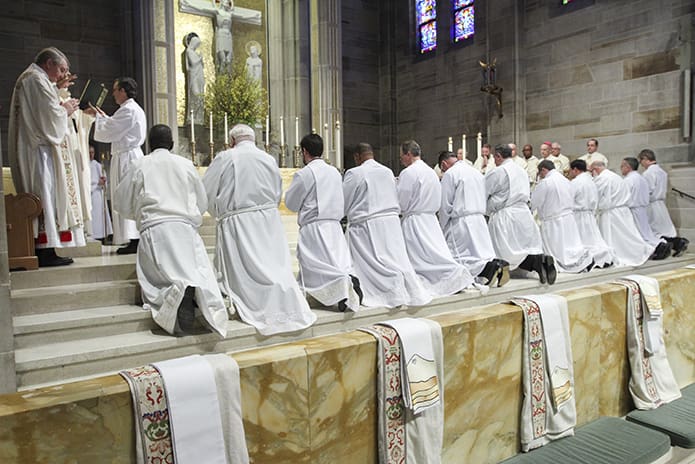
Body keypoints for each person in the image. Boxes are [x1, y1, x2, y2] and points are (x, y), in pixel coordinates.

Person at [114, 125, 228, 337]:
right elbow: (202, 201)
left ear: (149, 144)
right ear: (173, 144)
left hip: (155, 229)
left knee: (158, 280)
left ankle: (175, 296)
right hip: (184, 229)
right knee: (197, 270)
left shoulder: (140, 164)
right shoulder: (185, 164)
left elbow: (121, 202)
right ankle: (196, 295)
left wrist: (140, 216)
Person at [203, 124, 316, 335]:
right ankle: (282, 299)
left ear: (232, 141)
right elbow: (276, 190)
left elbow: (207, 190)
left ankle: (255, 302)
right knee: (272, 264)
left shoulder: (226, 157)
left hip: (238, 222)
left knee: (248, 270)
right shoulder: (268, 159)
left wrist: (219, 212)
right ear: (254, 139)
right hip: (268, 220)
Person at [8, 47, 84, 266]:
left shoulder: (36, 78)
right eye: (61, 70)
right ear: (49, 63)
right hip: (39, 154)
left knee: (48, 196)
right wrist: (66, 109)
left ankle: (46, 247)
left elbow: (44, 108)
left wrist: (57, 92)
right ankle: (45, 250)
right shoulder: (35, 80)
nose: (62, 75)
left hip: (38, 149)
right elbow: (48, 116)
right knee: (45, 195)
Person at [343, 143, 431, 308]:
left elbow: (344, 201)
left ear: (357, 157)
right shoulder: (387, 171)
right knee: (395, 259)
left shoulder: (355, 173)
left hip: (367, 226)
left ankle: (391, 290)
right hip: (391, 224)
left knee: (377, 264)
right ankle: (403, 287)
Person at [284, 133, 362, 312]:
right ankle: (348, 278)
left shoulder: (305, 174)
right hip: (333, 225)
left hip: (314, 226)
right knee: (337, 261)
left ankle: (343, 284)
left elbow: (291, 203)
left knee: (316, 264)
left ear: (304, 151)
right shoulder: (334, 171)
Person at [398, 141, 474, 297]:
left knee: (420, 258)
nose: (401, 159)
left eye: (401, 156)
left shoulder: (408, 172)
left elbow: (402, 200)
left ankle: (451, 276)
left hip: (415, 220)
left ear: (408, 154)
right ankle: (453, 276)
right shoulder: (431, 171)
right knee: (434, 254)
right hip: (430, 219)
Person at [89, 77, 147, 254]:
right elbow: (115, 125)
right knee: (126, 195)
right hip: (127, 155)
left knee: (126, 196)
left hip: (126, 158)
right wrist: (102, 116)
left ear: (123, 91)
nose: (113, 94)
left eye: (115, 90)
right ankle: (131, 238)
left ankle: (133, 238)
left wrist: (98, 117)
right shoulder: (130, 109)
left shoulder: (128, 109)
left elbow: (110, 131)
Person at [486, 144, 556, 284]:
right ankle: (538, 261)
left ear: (499, 156)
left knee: (505, 249)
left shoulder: (498, 172)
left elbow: (484, 191)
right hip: (523, 214)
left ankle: (500, 271)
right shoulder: (521, 170)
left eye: (494, 157)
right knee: (523, 247)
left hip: (505, 214)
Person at [438, 151, 509, 286]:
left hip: (461, 221)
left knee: (462, 257)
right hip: (479, 219)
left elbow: (445, 204)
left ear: (444, 164)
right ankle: (495, 264)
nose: (443, 171)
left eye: (442, 169)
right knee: (480, 253)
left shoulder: (450, 174)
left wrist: (442, 226)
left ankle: (488, 269)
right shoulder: (476, 172)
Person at [531, 160, 593, 273]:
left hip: (553, 220)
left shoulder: (546, 182)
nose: (540, 176)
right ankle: (582, 262)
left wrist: (529, 209)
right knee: (571, 244)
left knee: (559, 249)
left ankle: (559, 264)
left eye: (540, 173)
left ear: (544, 170)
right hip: (568, 218)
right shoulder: (567, 181)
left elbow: (535, 201)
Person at [590, 160, 653, 267]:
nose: (592, 174)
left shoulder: (602, 178)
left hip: (612, 213)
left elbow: (596, 196)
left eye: (591, 171)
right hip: (622, 211)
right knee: (627, 236)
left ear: (595, 169)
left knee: (618, 238)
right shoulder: (616, 176)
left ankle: (631, 253)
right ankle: (641, 251)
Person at [638, 149, 689, 256]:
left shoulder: (648, 173)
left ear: (646, 159)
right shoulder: (662, 172)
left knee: (653, 230)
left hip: (651, 204)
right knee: (663, 229)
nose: (641, 164)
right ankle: (678, 243)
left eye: (641, 161)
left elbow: (648, 190)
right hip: (660, 204)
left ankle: (664, 249)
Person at [620, 157, 672, 260]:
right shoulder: (641, 178)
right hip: (642, 209)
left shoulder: (628, 180)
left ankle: (657, 248)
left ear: (628, 167)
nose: (621, 168)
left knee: (639, 235)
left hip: (633, 210)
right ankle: (660, 244)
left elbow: (624, 197)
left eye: (622, 166)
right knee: (646, 233)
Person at [568, 160, 615, 268]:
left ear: (575, 170)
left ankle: (589, 260)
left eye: (570, 170)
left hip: (578, 215)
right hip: (589, 214)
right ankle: (604, 258)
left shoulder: (575, 182)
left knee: (583, 240)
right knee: (594, 239)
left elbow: (569, 198)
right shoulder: (591, 181)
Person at [89, 144, 113, 241]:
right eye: (89, 152)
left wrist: (104, 181)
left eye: (92, 152)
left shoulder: (97, 165)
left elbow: (104, 182)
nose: (91, 155)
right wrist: (96, 184)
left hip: (98, 195)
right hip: (90, 195)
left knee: (99, 217)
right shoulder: (83, 165)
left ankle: (101, 236)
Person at [184, 32, 205, 125]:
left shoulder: (194, 52)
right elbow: (193, 62)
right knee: (195, 94)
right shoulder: (189, 51)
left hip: (199, 76)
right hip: (193, 76)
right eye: (196, 44)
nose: (197, 46)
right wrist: (200, 58)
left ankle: (198, 117)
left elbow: (201, 65)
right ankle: (192, 116)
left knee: (200, 96)